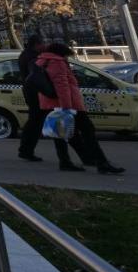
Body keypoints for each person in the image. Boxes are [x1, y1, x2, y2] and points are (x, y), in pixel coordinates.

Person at [36, 42, 125, 175]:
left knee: (60, 135)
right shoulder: (57, 63)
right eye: (67, 55)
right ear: (62, 53)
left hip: (50, 104)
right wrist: (67, 108)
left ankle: (66, 162)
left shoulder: (42, 61)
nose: (67, 58)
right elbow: (62, 86)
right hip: (68, 105)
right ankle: (102, 163)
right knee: (88, 132)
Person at [17, 34, 72, 166]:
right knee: (45, 122)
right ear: (37, 44)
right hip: (38, 94)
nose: (45, 45)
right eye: (43, 43)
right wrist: (49, 92)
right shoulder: (34, 58)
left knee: (34, 122)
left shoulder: (25, 55)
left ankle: (26, 149)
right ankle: (66, 158)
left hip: (32, 92)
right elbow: (38, 77)